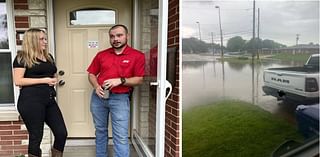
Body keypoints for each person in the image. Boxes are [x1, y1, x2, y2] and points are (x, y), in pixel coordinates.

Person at [87, 24, 145, 157]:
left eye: (119, 35)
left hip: (120, 98)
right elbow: (91, 74)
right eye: (112, 36)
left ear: (127, 36)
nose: (115, 39)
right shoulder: (102, 55)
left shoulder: (137, 56)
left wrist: (121, 80)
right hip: (99, 98)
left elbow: (139, 80)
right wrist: (96, 86)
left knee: (121, 135)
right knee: (100, 131)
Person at [12, 28, 67, 157]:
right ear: (32, 41)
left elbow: (49, 75)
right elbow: (18, 81)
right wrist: (43, 80)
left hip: (49, 100)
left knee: (61, 133)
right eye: (42, 39)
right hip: (30, 101)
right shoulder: (22, 58)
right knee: (36, 136)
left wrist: (52, 81)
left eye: (45, 38)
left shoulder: (48, 57)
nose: (45, 42)